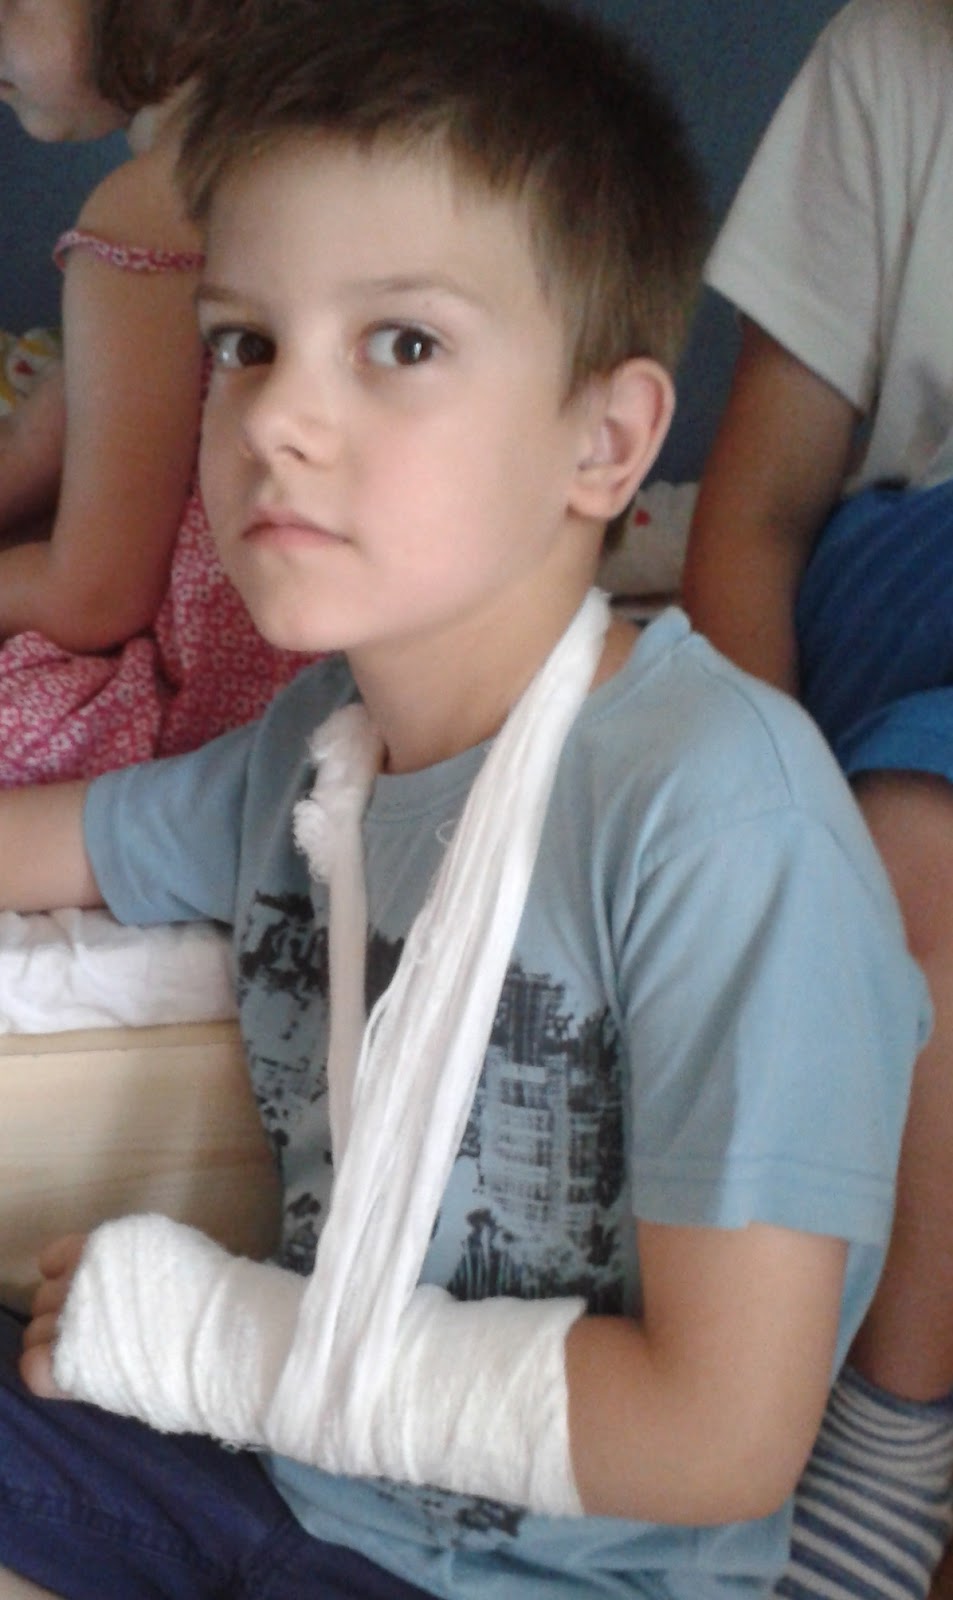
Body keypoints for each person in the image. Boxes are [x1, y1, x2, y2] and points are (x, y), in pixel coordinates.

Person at [0, 0, 930, 1595]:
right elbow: (62, 840)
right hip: (289, 1496)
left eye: (403, 345)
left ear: (606, 442)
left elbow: (724, 1436)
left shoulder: (722, 826)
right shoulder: (315, 747)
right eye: (243, 342)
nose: (278, 416)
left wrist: (217, 1340)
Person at [681, 1, 953, 1595]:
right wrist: (763, 817)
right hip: (911, 586)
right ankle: (891, 1422)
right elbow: (754, 512)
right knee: (915, 844)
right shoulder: (897, 57)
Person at [0, 0, 309, 785]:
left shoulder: (149, 208)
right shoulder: (322, 149)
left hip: (227, 718)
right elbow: (37, 448)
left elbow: (94, 594)